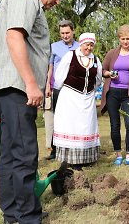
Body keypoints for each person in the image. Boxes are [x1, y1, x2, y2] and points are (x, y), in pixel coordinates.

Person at [0, 0, 65, 223]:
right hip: (19, 89)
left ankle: (12, 213)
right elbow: (14, 37)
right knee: (24, 153)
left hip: (10, 89)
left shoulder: (25, 2)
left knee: (10, 156)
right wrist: (32, 84)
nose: (57, 1)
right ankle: (28, 217)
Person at [52, 33, 102, 170]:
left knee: (86, 126)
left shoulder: (95, 59)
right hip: (71, 97)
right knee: (72, 126)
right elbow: (60, 75)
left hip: (87, 98)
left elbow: (98, 80)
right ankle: (71, 159)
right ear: (81, 44)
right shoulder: (70, 55)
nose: (89, 48)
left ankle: (87, 158)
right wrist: (60, 90)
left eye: (92, 45)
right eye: (87, 44)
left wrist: (91, 91)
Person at [100, 24, 129, 167]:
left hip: (128, 94)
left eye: (128, 39)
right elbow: (103, 70)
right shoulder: (112, 53)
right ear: (119, 38)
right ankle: (118, 154)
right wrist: (108, 74)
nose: (125, 42)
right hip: (112, 92)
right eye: (123, 39)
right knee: (115, 125)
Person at [44, 19, 79, 160]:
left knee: (73, 117)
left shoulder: (80, 46)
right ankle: (54, 149)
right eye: (62, 33)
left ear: (73, 31)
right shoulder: (54, 47)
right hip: (58, 88)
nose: (65, 35)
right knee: (57, 118)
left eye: (67, 33)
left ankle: (74, 146)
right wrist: (47, 85)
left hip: (75, 88)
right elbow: (50, 67)